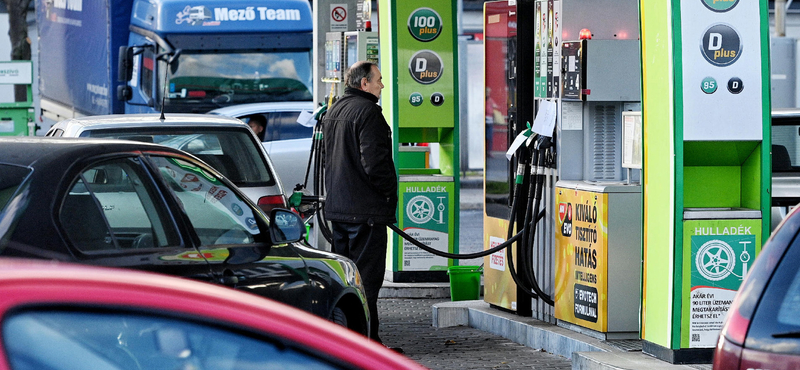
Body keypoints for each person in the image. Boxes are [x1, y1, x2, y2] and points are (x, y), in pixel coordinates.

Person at [322, 61, 398, 346]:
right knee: (367, 282)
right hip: (365, 213)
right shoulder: (369, 113)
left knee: (347, 281)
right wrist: (389, 194)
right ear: (364, 83)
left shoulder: (336, 110)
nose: (382, 85)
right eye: (378, 79)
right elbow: (376, 164)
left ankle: (348, 340)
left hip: (340, 211)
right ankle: (368, 344)